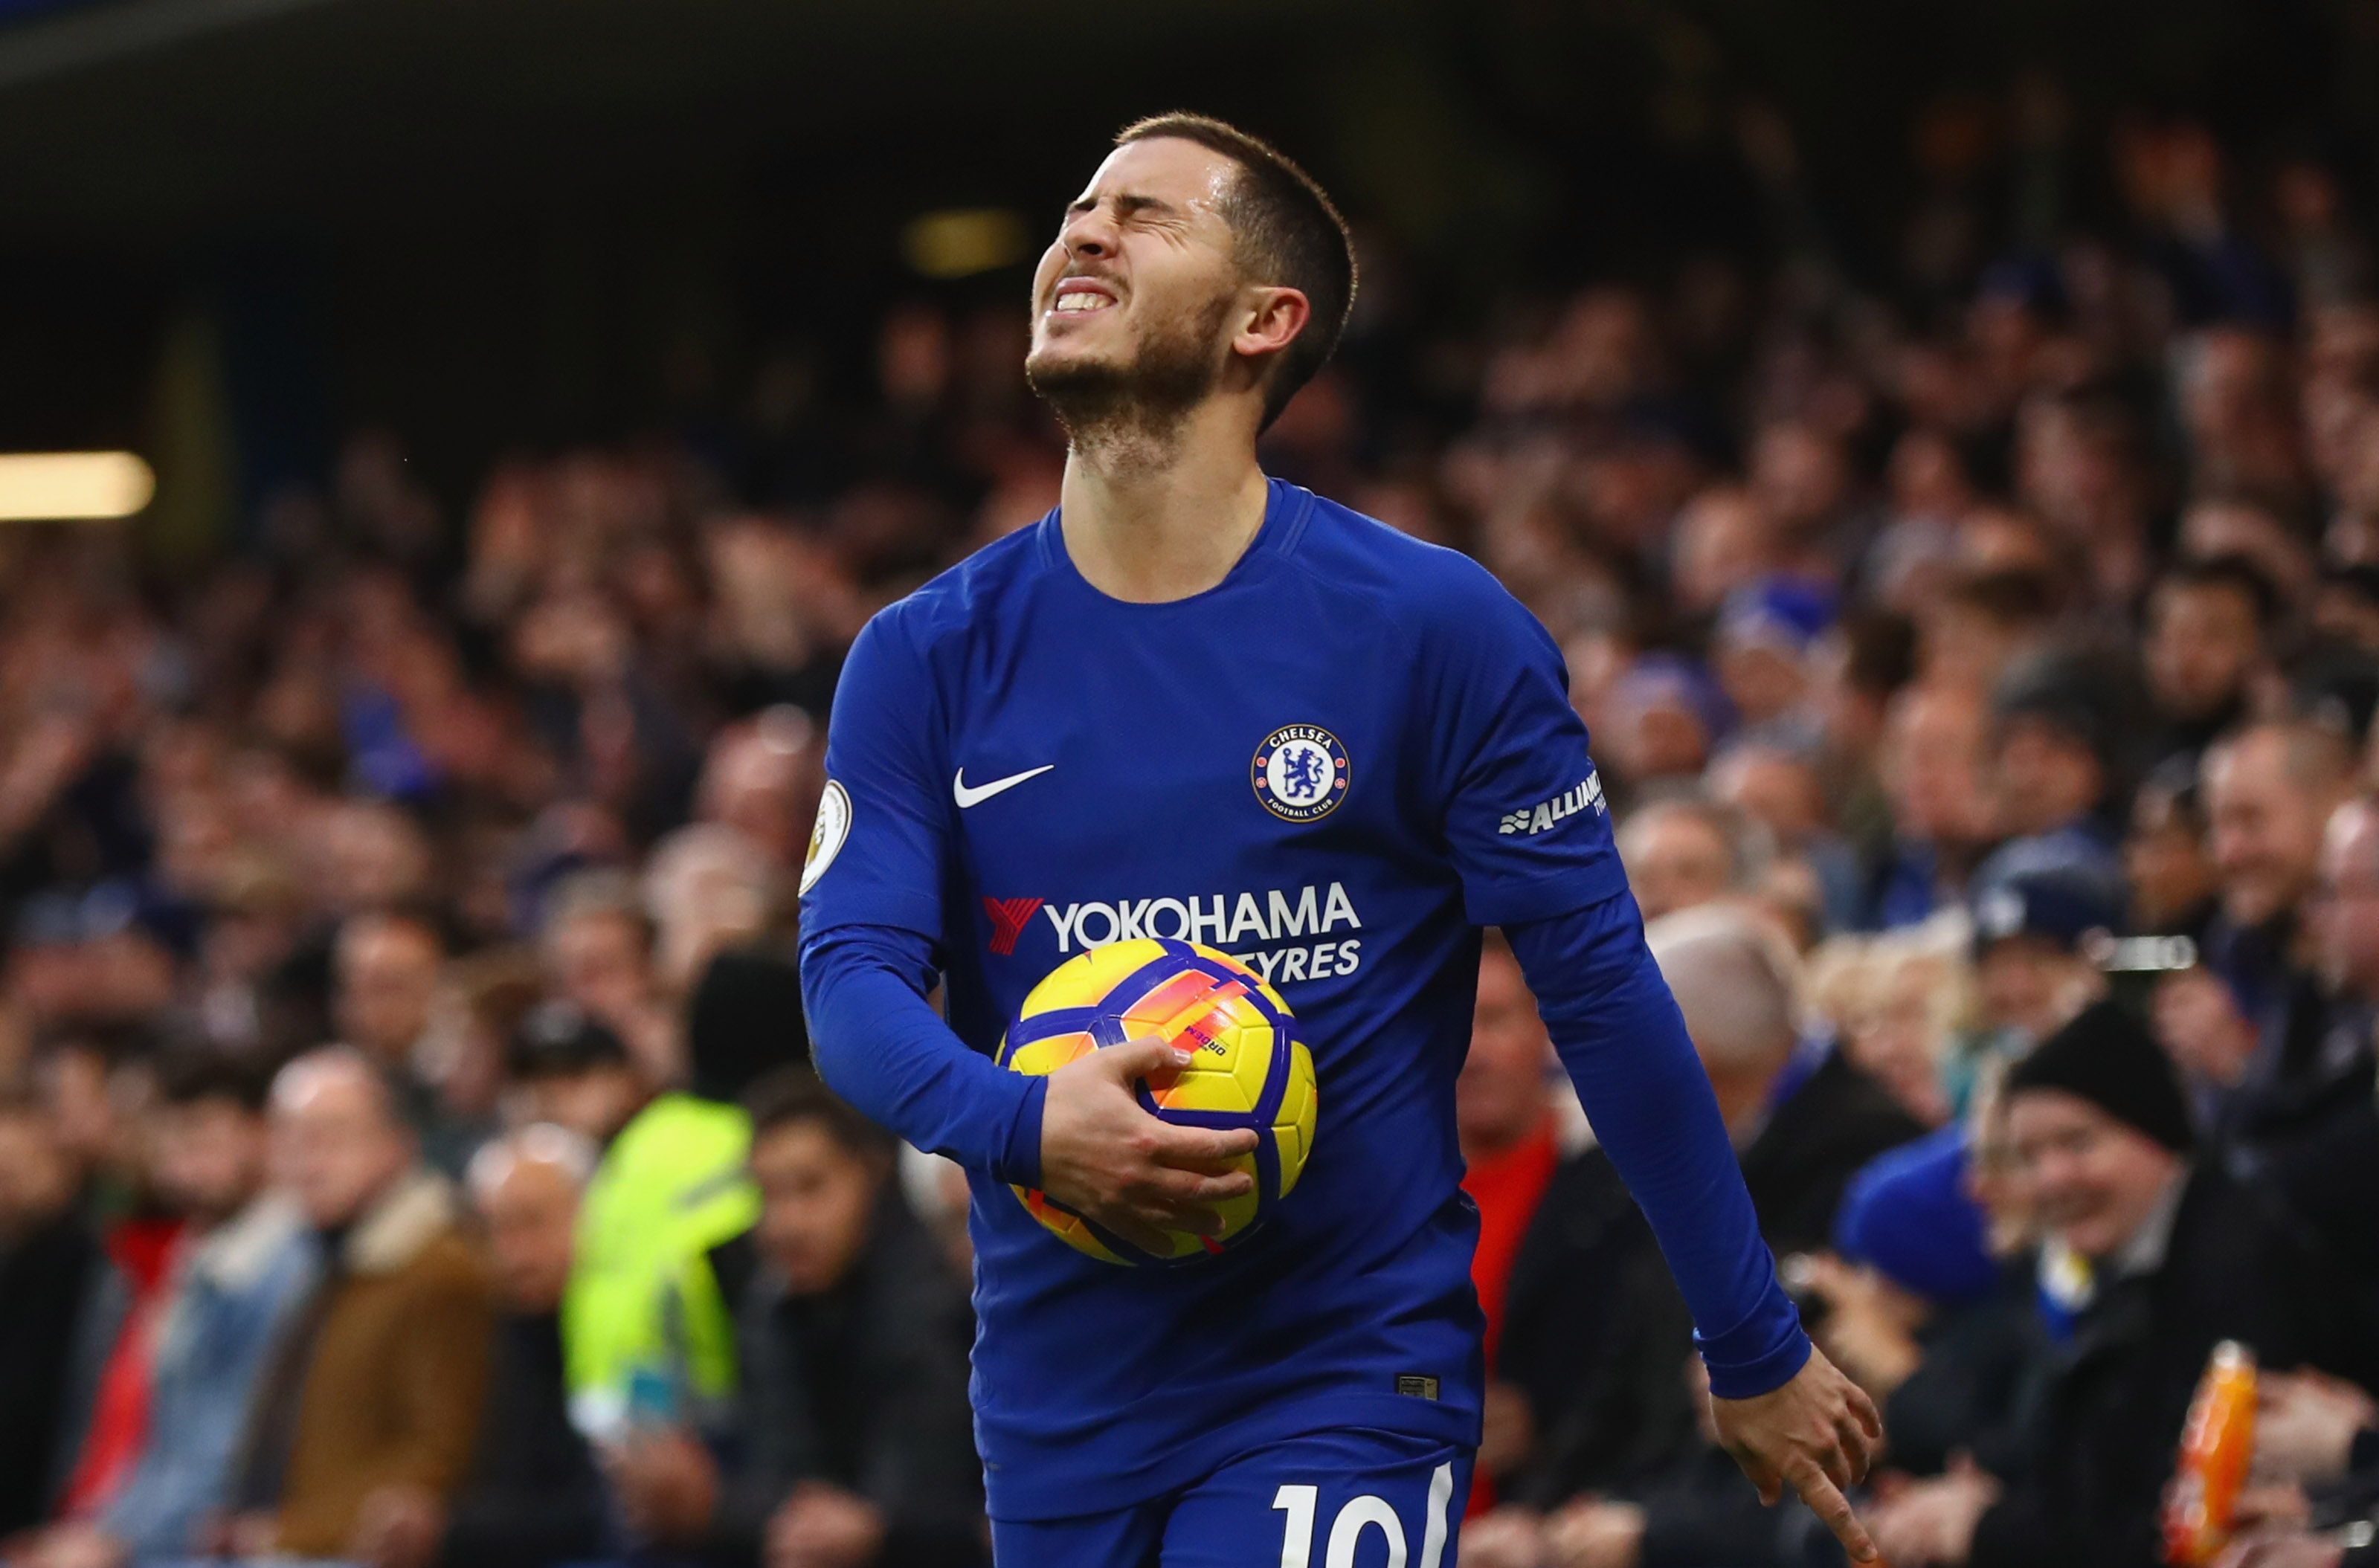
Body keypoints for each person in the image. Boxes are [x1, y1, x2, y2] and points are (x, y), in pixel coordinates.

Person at [797, 114, 1882, 1568]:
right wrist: (1031, 1121)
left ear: (1266, 321)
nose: (1086, 231)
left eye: (1148, 214)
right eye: (1079, 206)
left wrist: (1748, 1339)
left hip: (1341, 1376)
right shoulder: (921, 656)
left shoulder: (1433, 630)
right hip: (1058, 1400)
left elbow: (1604, 995)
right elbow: (849, 981)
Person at [1867, 1001, 2364, 1568]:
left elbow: (2172, 1520)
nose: (2052, 1176)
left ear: (2155, 1136)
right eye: (2028, 1156)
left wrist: (1984, 1528)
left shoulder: (2239, 1270)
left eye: (2078, 1143)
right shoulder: (2130, 1263)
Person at [607, 1070, 983, 1567]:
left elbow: (918, 1504)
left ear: (870, 1174)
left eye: (809, 1187)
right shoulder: (771, 1309)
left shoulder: (932, 1301)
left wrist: (711, 1508)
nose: (783, 1223)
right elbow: (788, 1489)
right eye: (767, 1194)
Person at [23, 1054, 317, 1568]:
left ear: (262, 1135)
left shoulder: (285, 1268)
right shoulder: (198, 1254)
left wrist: (114, 1542)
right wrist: (96, 1529)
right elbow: (161, 1444)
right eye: (174, 1140)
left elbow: (224, 1453)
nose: (186, 1163)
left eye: (205, 1138)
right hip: (155, 1528)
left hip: (225, 1539)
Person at [225, 1048, 495, 1562]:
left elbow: (439, 1455)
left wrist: (293, 1531)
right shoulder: (318, 1258)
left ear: (397, 1144)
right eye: (289, 1136)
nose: (304, 1159)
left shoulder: (437, 1268)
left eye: (329, 1136)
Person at [0, 1093, 103, 1537]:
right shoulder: (13, 1257)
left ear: (63, 1171)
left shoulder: (83, 1263)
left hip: (45, 1513)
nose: (8, 1188)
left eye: (20, 1169)